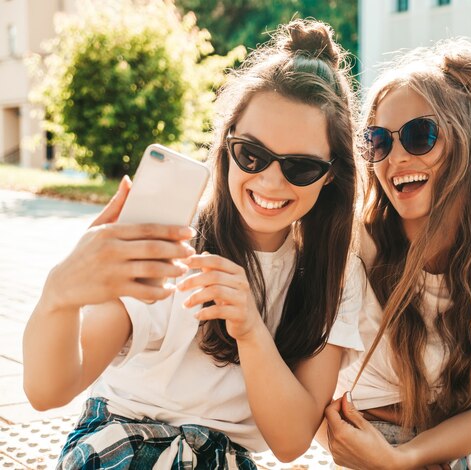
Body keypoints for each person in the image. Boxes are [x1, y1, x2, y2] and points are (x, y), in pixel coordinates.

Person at [23, 19, 365, 469]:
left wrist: (250, 329)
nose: (269, 180)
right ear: (226, 147)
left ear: (332, 175)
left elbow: (291, 441)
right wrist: (60, 295)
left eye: (299, 166)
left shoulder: (335, 274)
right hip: (123, 443)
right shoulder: (173, 240)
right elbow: (51, 391)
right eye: (252, 154)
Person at [319, 38, 471, 470]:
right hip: (368, 449)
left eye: (419, 136)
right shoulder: (352, 242)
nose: (395, 157)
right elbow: (311, 392)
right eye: (378, 141)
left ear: (468, 149)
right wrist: (371, 454)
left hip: (462, 453)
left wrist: (406, 460)